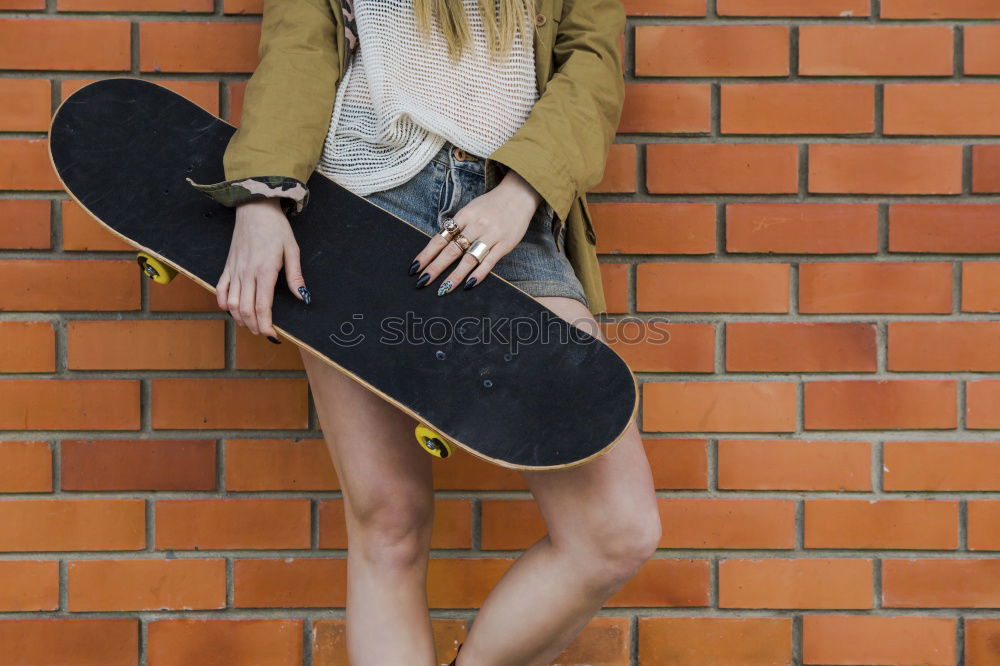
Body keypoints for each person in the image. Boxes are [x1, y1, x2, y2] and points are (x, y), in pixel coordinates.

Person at [188, 1, 661, 664]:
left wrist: (521, 192)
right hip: (358, 207)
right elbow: (300, 45)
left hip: (509, 215)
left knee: (616, 527)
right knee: (390, 524)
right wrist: (262, 199)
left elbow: (592, 64)